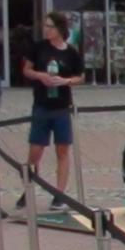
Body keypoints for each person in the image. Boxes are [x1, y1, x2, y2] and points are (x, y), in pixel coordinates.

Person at [17, 12, 85, 211]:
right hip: (41, 106)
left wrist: (66, 81)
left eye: (50, 26)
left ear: (60, 29)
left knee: (62, 151)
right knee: (35, 152)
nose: (46, 29)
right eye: (45, 26)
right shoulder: (38, 47)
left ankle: (59, 195)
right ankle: (28, 188)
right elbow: (26, 70)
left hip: (62, 107)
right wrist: (41, 76)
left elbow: (80, 77)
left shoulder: (71, 52)